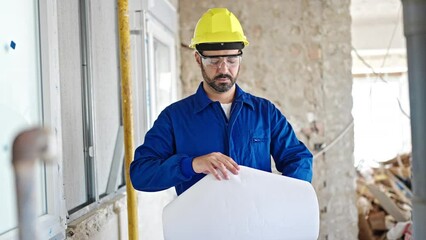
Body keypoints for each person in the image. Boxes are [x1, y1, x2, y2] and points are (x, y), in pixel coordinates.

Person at [130, 8, 313, 196]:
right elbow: (141, 174)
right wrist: (192, 164)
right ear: (198, 59)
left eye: (232, 59)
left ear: (240, 58)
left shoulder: (265, 112)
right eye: (213, 60)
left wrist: (283, 197)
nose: (223, 68)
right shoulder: (175, 117)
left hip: (256, 223)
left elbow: (298, 158)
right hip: (202, 224)